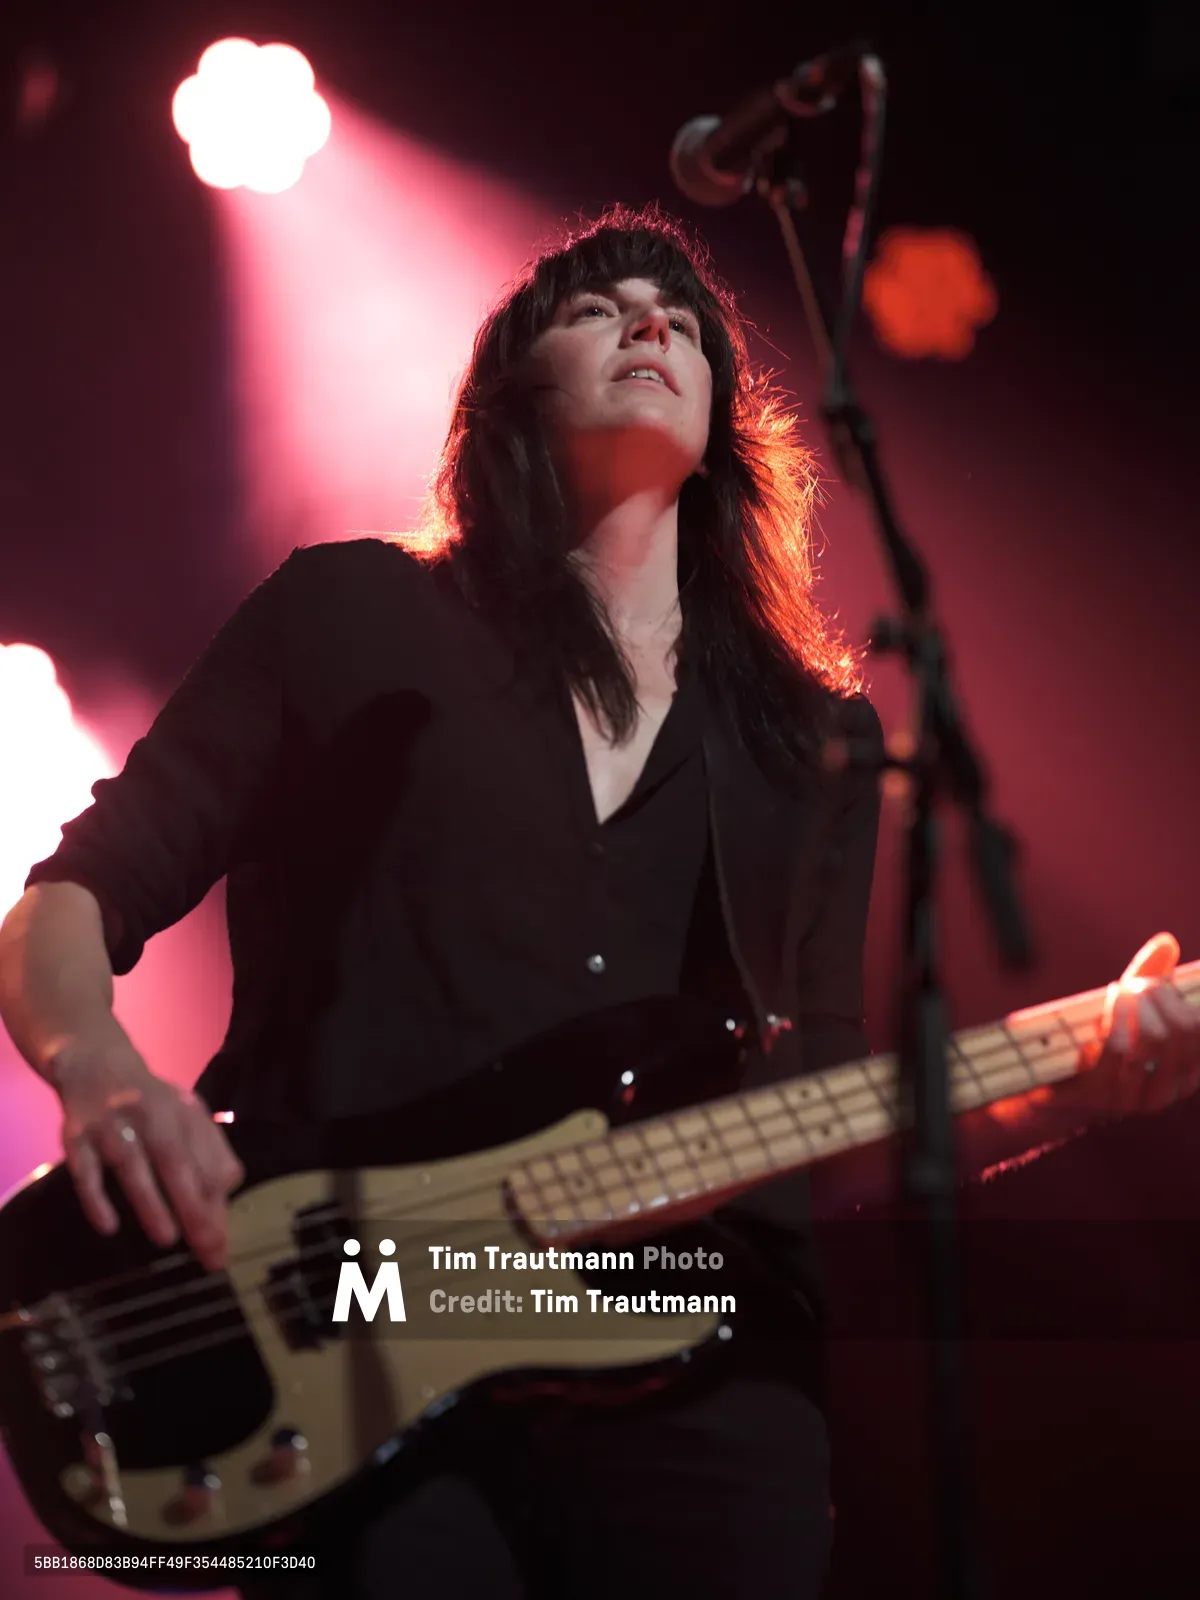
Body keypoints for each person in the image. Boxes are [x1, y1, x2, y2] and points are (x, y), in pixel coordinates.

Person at [0, 204, 1196, 1599]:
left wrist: (1076, 1082)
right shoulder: (349, 618)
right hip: (353, 1312)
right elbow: (75, 893)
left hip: (690, 1336)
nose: (651, 323)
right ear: (505, 400)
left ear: (729, 425)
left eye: (683, 318)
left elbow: (812, 1127)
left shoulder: (812, 744)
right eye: (598, 309)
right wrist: (99, 1075)